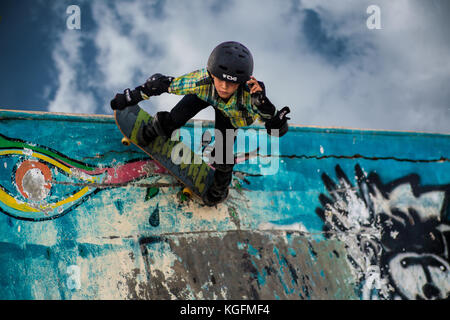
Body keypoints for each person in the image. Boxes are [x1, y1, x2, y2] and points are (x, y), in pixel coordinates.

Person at [110, 41, 290, 206]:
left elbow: (276, 130)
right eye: (220, 79)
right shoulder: (201, 81)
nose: (225, 87)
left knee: (222, 154)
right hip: (204, 96)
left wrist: (267, 108)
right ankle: (151, 131)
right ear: (211, 74)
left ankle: (220, 188)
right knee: (175, 118)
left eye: (231, 84)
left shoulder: (253, 97)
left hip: (231, 117)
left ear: (242, 83)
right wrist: (129, 97)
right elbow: (161, 85)